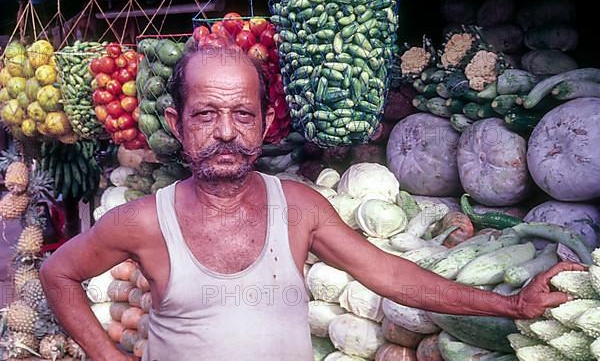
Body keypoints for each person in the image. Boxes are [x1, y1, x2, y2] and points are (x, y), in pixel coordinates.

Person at [41, 45, 583, 361]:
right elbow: (58, 273)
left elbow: (392, 276)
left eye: (243, 115)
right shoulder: (141, 221)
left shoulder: (298, 207)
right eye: (206, 115)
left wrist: (511, 306)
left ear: (265, 123)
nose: (227, 132)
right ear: (177, 125)